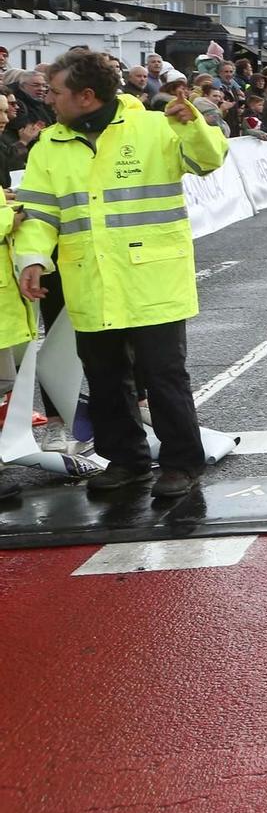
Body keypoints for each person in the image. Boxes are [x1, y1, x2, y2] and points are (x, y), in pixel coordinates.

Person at [14, 51, 229, 499]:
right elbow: (38, 213)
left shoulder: (155, 126)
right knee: (105, 375)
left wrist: (192, 123)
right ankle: (126, 460)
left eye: (56, 92)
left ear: (86, 96)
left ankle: (181, 462)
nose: (48, 100)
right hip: (89, 279)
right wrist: (32, 258)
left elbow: (210, 159)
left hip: (152, 278)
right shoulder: (48, 145)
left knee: (163, 375)